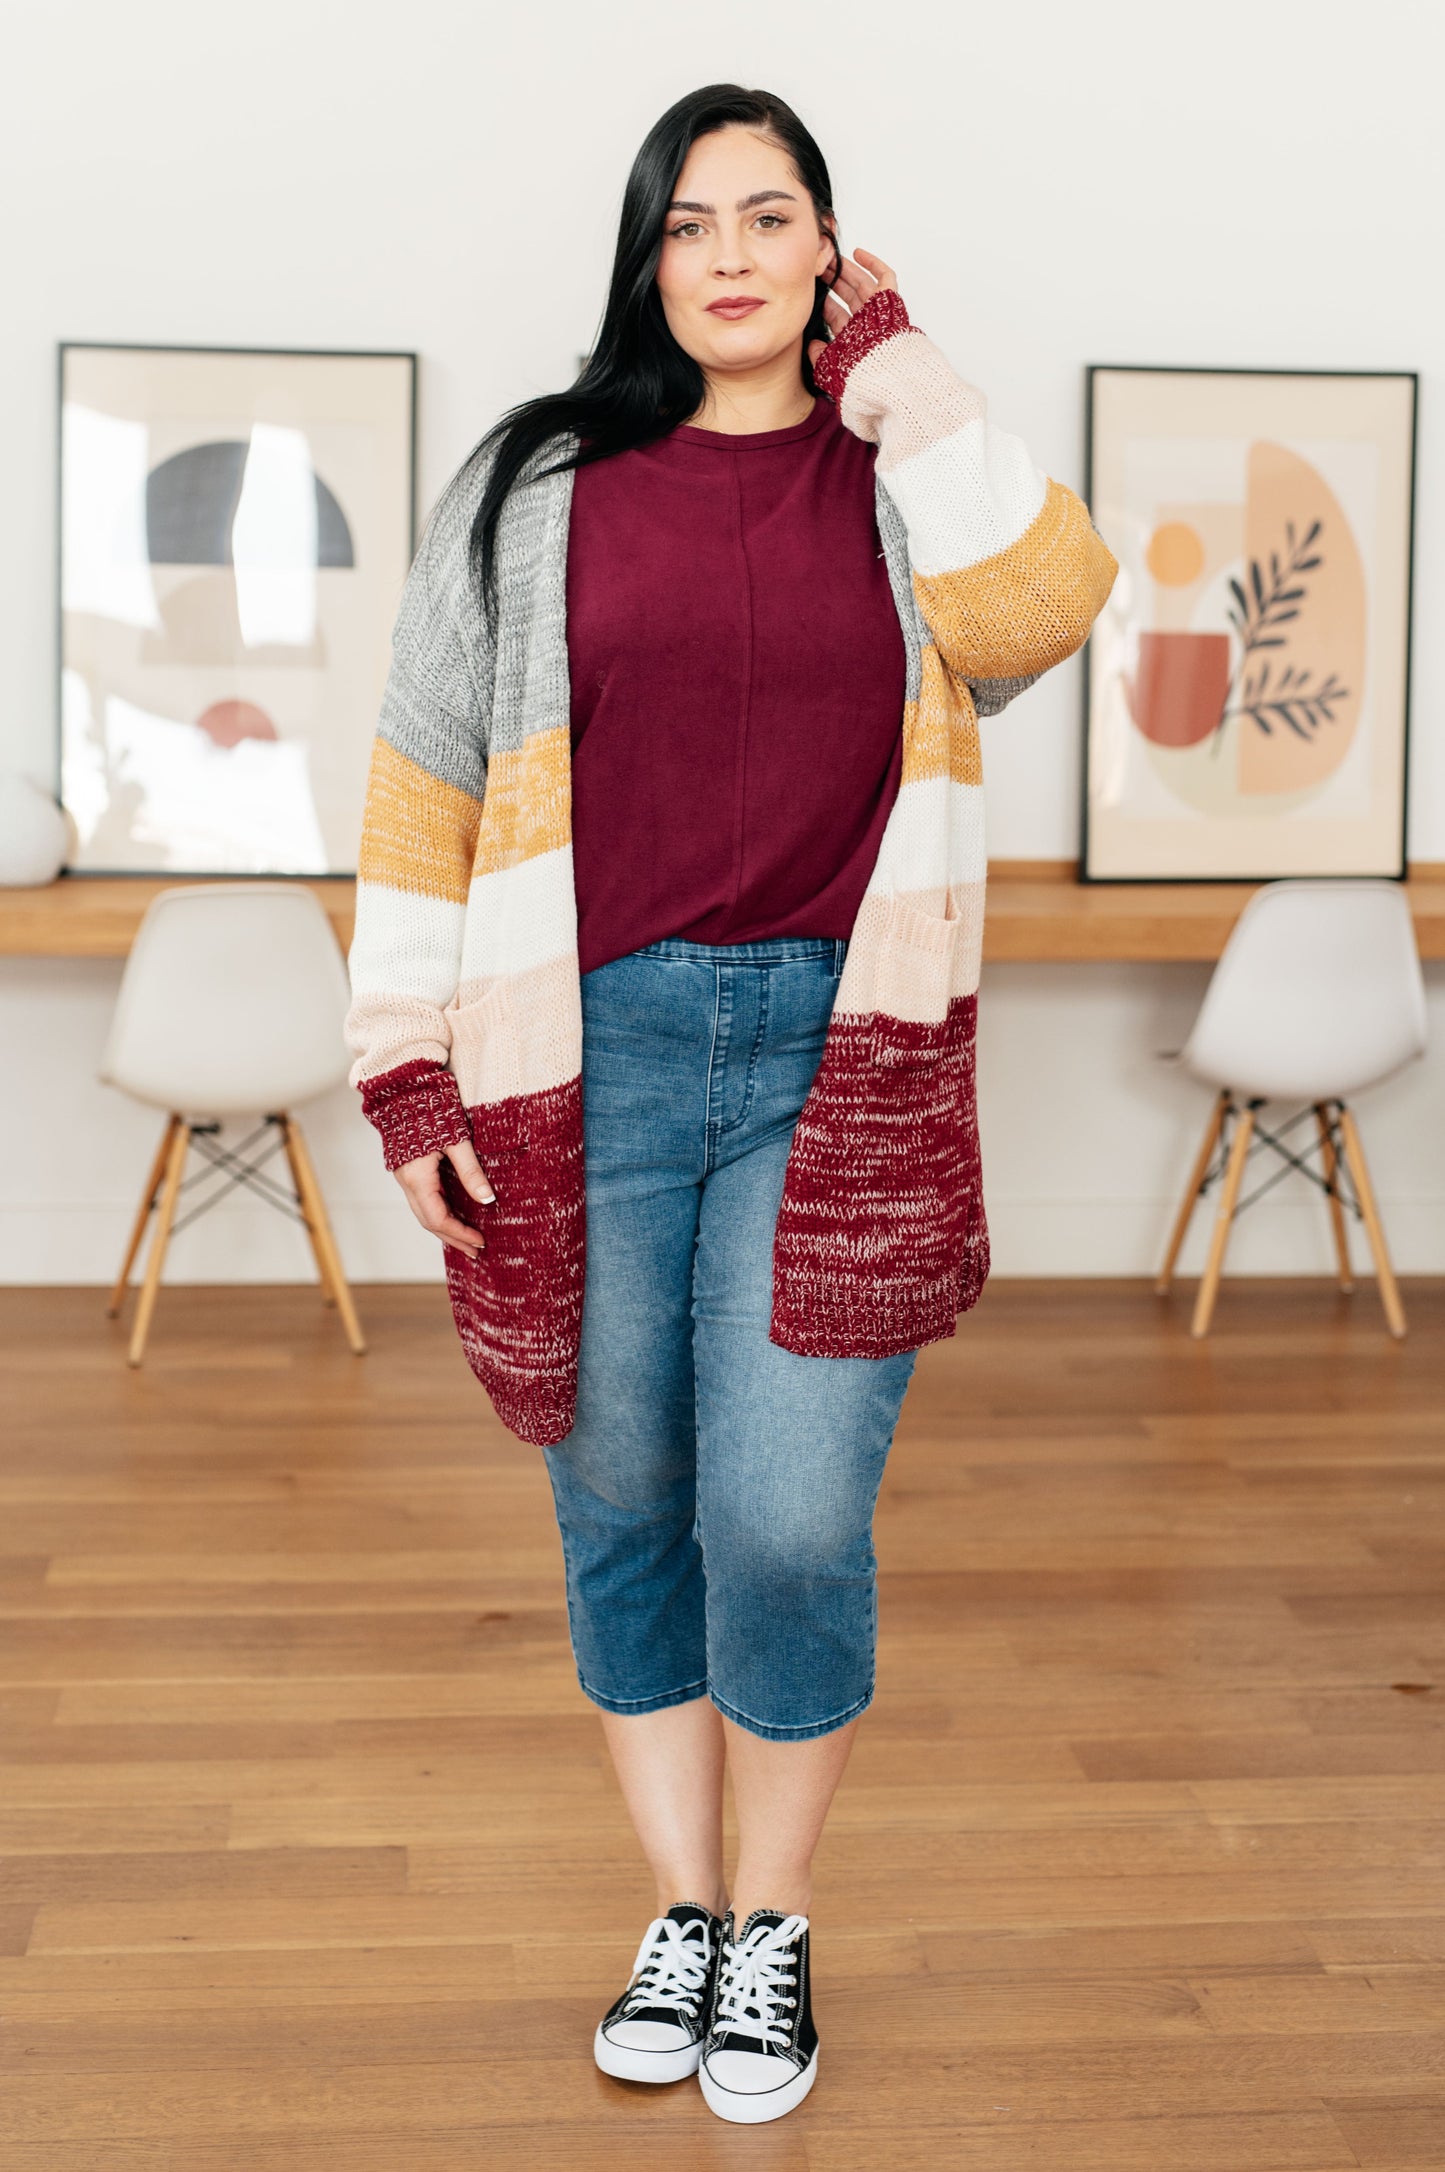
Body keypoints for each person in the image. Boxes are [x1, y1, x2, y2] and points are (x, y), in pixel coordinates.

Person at [344, 83, 1117, 2127]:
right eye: (690, 224)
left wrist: (902, 372)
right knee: (621, 1498)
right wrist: (407, 1060)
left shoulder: (902, 484)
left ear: (829, 251)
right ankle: (682, 1909)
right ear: (647, 260)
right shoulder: (535, 486)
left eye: (771, 217)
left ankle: (775, 1926)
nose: (731, 256)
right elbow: (423, 781)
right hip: (579, 1053)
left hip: (833, 1056)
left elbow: (1046, 608)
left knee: (783, 1518)